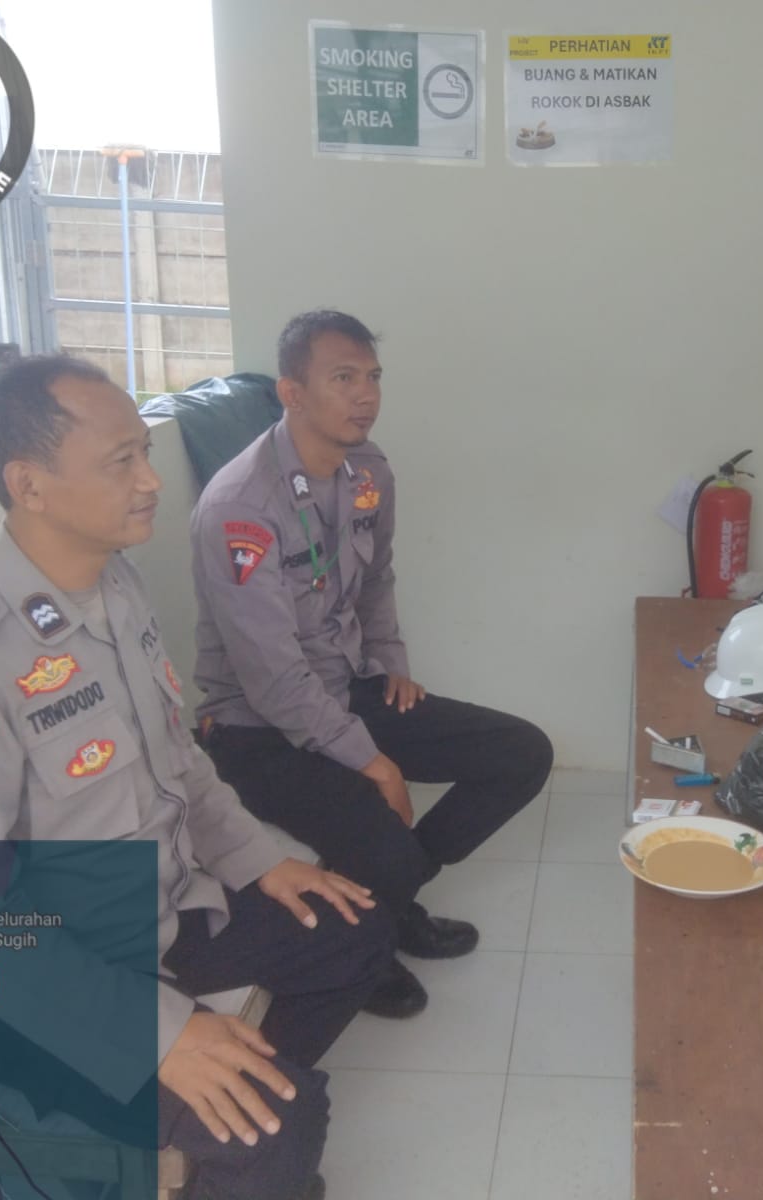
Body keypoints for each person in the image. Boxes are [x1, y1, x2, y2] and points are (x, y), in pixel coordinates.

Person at [0, 355, 395, 1200]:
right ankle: (199, 1130)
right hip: (50, 982)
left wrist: (262, 860)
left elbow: (179, 760)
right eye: (122, 461)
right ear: (30, 484)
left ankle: (212, 1110)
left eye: (145, 452)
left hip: (166, 912)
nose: (152, 480)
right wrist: (158, 1035)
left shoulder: (115, 584)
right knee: (283, 1129)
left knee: (357, 931)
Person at [189, 310, 555, 1016]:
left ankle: (391, 898)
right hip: (257, 730)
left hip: (346, 686)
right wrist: (375, 763)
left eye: (373, 377)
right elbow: (273, 681)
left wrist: (388, 659)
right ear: (292, 393)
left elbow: (377, 577)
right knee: (382, 833)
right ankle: (370, 936)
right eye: (343, 378)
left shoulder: (367, 470)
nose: (366, 395)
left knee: (521, 753)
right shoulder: (241, 508)